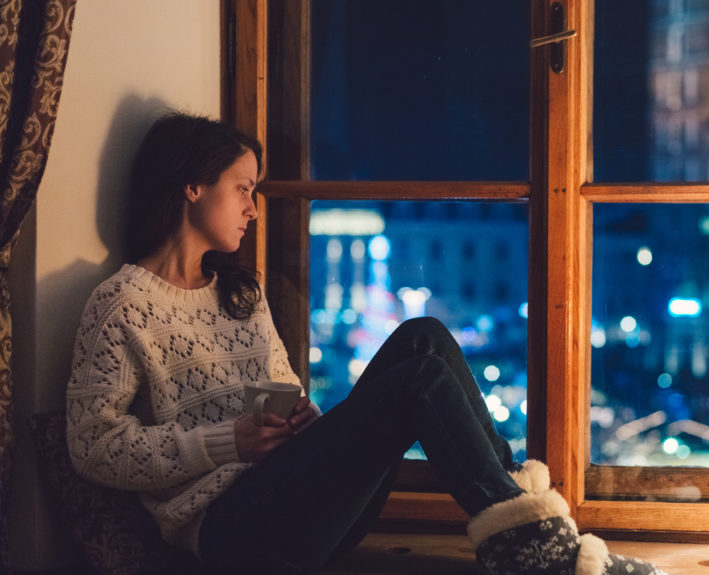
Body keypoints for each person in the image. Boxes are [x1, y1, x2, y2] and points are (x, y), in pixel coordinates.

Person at [65, 111, 665, 575]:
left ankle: (528, 527)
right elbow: (92, 448)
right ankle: (540, 552)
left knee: (421, 336)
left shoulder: (239, 294)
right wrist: (227, 442)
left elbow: (288, 398)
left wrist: (302, 420)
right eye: (243, 188)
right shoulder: (121, 304)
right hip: (232, 533)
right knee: (417, 381)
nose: (252, 208)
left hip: (303, 505)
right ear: (192, 187)